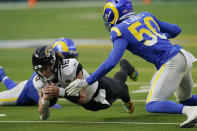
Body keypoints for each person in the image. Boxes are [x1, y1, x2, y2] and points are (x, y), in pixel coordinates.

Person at [65, 0, 197, 128]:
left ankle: (191, 111)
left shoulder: (119, 30)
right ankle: (191, 108)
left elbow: (112, 62)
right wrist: (156, 37)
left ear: (114, 13)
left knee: (152, 104)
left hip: (171, 62)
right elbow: (176, 30)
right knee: (186, 99)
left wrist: (87, 81)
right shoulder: (146, 15)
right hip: (183, 56)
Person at [31, 45, 138, 120]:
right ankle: (125, 69)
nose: (43, 73)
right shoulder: (39, 81)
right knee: (117, 86)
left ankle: (125, 67)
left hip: (100, 88)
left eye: (46, 68)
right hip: (89, 104)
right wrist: (45, 100)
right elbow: (43, 117)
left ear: (53, 63)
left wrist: (58, 91)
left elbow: (82, 97)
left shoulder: (69, 68)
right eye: (40, 70)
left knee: (121, 88)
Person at [0, 37, 77, 108]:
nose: (69, 60)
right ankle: (1, 74)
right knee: (10, 94)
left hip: (24, 87)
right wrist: (48, 104)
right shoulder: (43, 74)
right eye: (69, 57)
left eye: (72, 57)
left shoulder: (66, 70)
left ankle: (1, 74)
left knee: (14, 88)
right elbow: (32, 91)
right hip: (22, 96)